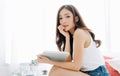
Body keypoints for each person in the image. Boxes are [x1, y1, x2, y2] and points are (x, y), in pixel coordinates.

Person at [37, 4, 110, 76]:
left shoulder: (79, 32)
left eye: (67, 16)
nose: (63, 21)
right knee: (56, 69)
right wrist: (67, 37)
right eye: (60, 18)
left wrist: (49, 61)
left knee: (56, 71)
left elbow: (76, 66)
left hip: (98, 73)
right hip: (87, 73)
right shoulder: (72, 35)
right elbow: (67, 60)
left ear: (76, 19)